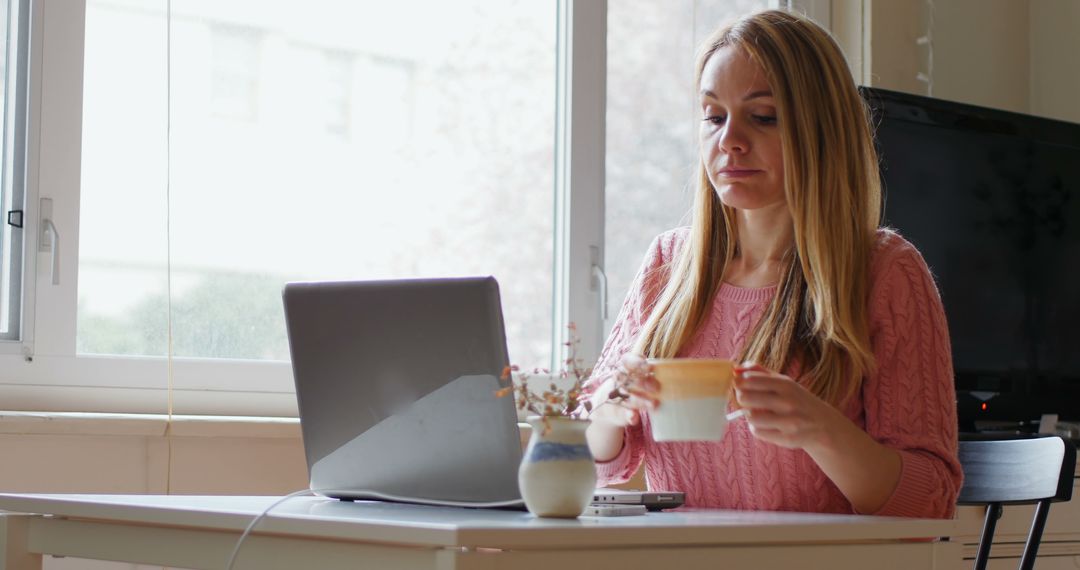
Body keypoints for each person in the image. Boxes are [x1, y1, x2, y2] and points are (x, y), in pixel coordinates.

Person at [582, 9, 962, 518]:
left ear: (822, 130)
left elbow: (931, 498)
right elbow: (590, 460)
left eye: (763, 117)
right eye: (714, 116)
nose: (729, 140)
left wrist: (821, 429)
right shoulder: (668, 264)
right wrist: (610, 407)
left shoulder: (885, 272)